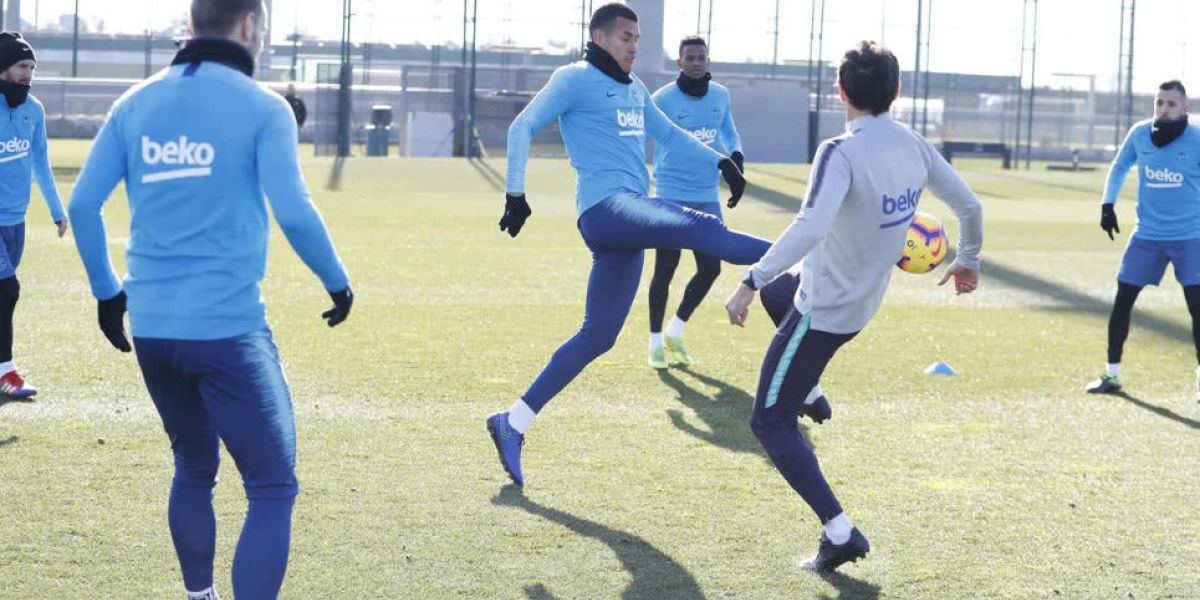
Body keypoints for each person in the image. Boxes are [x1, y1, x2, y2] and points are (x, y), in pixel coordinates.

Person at [68, 1, 353, 598]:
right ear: (250, 26)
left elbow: (83, 206)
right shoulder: (263, 107)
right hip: (227, 331)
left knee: (194, 468)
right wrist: (337, 281)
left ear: (193, 25)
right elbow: (295, 211)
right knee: (272, 487)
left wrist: (106, 293)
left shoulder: (134, 103)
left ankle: (199, 596)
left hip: (151, 330)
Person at [724, 41, 983, 573]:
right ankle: (811, 391)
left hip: (824, 311)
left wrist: (750, 280)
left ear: (840, 91)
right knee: (782, 292)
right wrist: (969, 259)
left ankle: (840, 534)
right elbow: (969, 205)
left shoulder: (839, 151)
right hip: (860, 301)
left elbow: (810, 226)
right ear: (897, 92)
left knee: (768, 422)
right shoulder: (911, 144)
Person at [486, 3, 770, 487]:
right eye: (624, 37)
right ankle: (806, 248)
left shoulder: (636, 88)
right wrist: (515, 193)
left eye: (637, 37)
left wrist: (722, 162)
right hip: (605, 208)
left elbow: (672, 135)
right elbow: (522, 127)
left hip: (626, 218)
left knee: (599, 336)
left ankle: (512, 421)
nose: (634, 45)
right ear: (598, 36)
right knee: (701, 229)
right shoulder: (574, 78)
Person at [1085, 80, 1200, 401]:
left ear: (1184, 107)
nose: (1164, 109)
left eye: (1171, 104)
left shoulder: (1197, 138)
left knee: (1198, 309)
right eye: (1159, 103)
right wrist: (1107, 205)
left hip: (1191, 238)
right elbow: (1120, 165)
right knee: (1123, 301)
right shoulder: (1139, 133)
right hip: (1147, 236)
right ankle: (1111, 374)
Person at [645, 34, 744, 370]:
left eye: (701, 57)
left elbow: (728, 131)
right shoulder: (662, 99)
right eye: (690, 58)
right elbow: (644, 136)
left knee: (711, 267)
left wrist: (737, 157)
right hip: (670, 192)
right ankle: (655, 342)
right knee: (666, 268)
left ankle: (676, 330)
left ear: (708, 60)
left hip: (706, 194)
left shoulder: (720, 95)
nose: (697, 63)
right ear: (679, 62)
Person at [0, 31, 68, 398]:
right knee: (7, 290)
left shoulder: (34, 110)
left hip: (15, 219)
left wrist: (57, 211)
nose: (28, 73)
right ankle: (6, 372)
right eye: (21, 66)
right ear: (3, 68)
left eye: (31, 67)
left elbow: (40, 162)